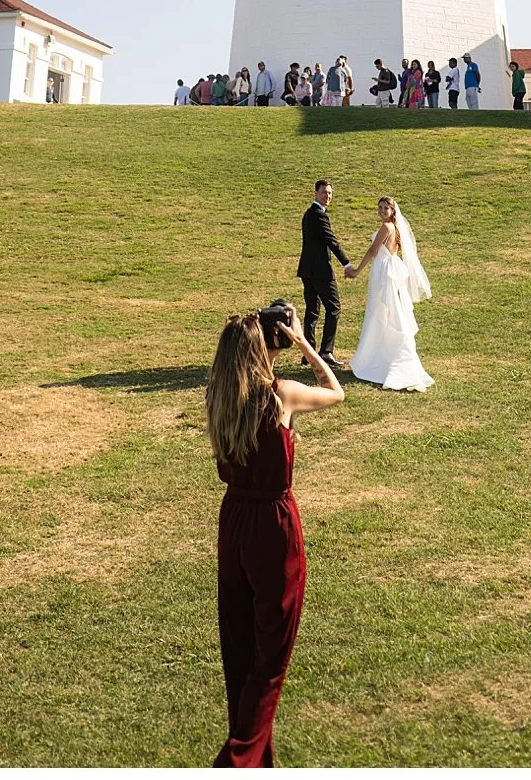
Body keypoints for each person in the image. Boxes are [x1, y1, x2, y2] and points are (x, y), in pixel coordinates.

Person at [207, 303, 344, 766]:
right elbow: (335, 391)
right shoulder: (280, 395)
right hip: (273, 526)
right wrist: (303, 342)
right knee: (270, 657)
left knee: (240, 648)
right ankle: (236, 763)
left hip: (233, 523)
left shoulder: (221, 398)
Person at [349, 197, 434, 392]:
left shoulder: (387, 228)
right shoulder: (394, 228)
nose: (382, 211)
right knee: (385, 312)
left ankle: (384, 358)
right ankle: (379, 354)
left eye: (386, 208)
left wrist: (356, 270)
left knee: (382, 312)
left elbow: (373, 251)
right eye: (380, 207)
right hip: (387, 269)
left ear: (393, 211)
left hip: (384, 272)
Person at [296, 180, 351, 365]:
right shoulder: (318, 215)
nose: (327, 196)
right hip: (320, 271)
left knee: (312, 310)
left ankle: (309, 353)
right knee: (334, 308)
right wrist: (346, 263)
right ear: (316, 193)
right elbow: (331, 241)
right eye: (324, 193)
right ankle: (326, 351)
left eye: (329, 193)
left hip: (307, 269)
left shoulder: (309, 213)